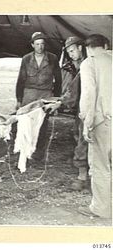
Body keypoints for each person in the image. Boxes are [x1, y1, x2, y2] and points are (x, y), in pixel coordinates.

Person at [47, 36, 89, 191]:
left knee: (83, 141)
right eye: (69, 52)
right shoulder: (78, 65)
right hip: (84, 107)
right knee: (80, 137)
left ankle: (82, 178)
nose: (71, 54)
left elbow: (73, 90)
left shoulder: (87, 65)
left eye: (72, 50)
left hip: (89, 109)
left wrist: (60, 102)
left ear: (80, 47)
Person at [77, 34, 112, 218]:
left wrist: (87, 124)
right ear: (105, 45)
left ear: (87, 49)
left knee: (101, 166)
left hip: (103, 122)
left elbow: (89, 95)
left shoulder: (89, 63)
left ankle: (101, 208)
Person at [15, 32, 62, 160]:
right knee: (26, 124)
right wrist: (19, 100)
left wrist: (55, 99)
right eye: (37, 44)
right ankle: (25, 153)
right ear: (32, 45)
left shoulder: (52, 58)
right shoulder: (26, 59)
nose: (40, 47)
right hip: (29, 94)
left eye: (42, 44)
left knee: (42, 124)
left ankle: (38, 154)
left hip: (45, 95)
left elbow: (58, 80)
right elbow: (21, 79)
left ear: (45, 45)